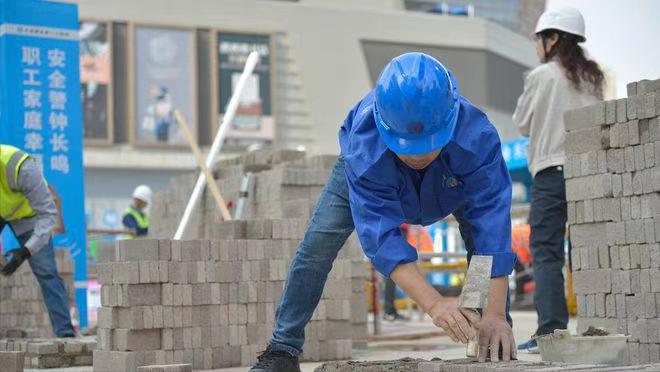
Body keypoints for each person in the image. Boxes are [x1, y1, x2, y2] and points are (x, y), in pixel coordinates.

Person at [250, 52, 517, 372]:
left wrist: (496, 313)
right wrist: (434, 304)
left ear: (449, 121)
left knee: (480, 239)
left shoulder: (477, 138)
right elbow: (381, 239)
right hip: (375, 175)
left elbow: (492, 228)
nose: (417, 156)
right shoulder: (364, 150)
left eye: (426, 145)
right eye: (408, 147)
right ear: (385, 125)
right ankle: (283, 348)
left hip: (450, 183)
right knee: (316, 247)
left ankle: (487, 330)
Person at [513, 7, 604, 353]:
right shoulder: (592, 79)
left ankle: (551, 332)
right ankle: (597, 327)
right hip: (587, 173)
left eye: (539, 38)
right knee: (584, 252)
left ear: (552, 39)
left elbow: (522, 123)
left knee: (546, 253)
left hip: (551, 173)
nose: (537, 45)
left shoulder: (542, 76)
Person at [0, 144, 76, 337]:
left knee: (46, 272)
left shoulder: (20, 166)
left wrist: (26, 251)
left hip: (29, 215)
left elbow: (49, 215)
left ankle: (65, 334)